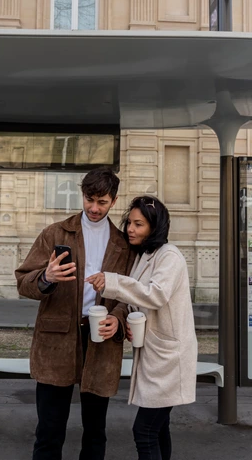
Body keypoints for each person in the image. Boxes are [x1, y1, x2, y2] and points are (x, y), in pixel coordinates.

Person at [15, 168, 134, 460]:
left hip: (100, 340)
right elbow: (23, 282)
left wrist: (118, 318)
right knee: (49, 430)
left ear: (114, 201)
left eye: (102, 202)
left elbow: (130, 293)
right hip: (56, 340)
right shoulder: (55, 233)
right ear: (82, 195)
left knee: (95, 431)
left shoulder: (123, 243)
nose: (94, 208)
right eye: (89, 199)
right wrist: (47, 277)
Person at [86, 195, 197, 460]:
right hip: (156, 356)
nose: (131, 229)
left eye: (139, 224)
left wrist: (112, 281)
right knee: (158, 429)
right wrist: (122, 319)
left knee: (144, 431)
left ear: (154, 227)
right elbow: (137, 301)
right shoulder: (145, 255)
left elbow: (155, 295)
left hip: (169, 359)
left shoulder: (170, 256)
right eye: (130, 223)